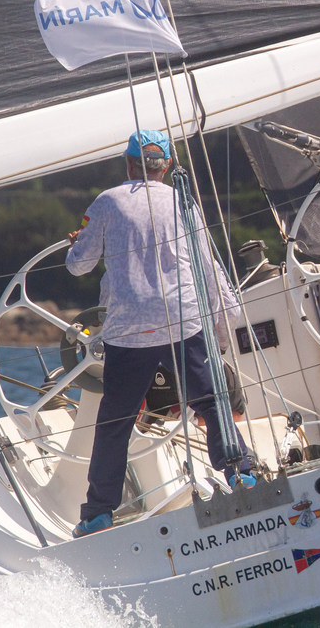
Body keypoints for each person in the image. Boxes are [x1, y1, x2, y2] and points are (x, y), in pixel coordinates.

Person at [67, 130, 254, 538]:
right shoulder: (183, 202)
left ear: (128, 163)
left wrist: (76, 244)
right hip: (182, 318)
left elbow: (79, 266)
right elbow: (206, 265)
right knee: (211, 401)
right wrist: (223, 321)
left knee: (115, 424)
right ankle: (241, 472)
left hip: (128, 329)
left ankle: (98, 514)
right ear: (166, 166)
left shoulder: (107, 202)